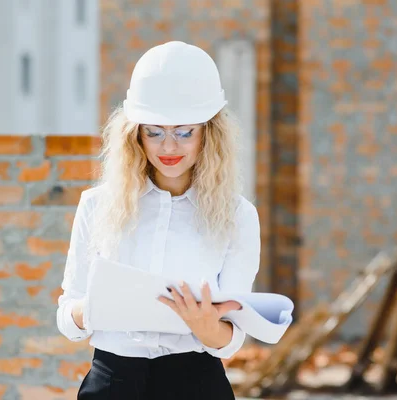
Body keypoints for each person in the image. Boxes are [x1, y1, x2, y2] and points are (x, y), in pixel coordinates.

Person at [56, 41, 260, 399]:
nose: (168, 147)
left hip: (195, 384)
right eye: (154, 131)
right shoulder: (96, 205)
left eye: (184, 132)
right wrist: (93, 309)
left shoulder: (238, 216)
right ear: (135, 133)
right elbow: (66, 319)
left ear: (209, 133)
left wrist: (205, 325)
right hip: (111, 383)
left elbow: (231, 341)